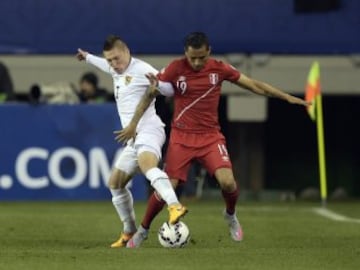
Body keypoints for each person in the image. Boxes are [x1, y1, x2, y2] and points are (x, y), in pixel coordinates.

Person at [118, 32, 310, 248]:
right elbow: (150, 94)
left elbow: (254, 85)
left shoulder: (220, 69)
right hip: (181, 138)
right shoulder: (174, 68)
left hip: (210, 137)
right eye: (193, 58)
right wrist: (133, 124)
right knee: (166, 188)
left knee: (228, 182)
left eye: (201, 57)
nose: (197, 62)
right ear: (186, 54)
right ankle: (143, 231)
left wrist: (286, 97)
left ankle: (230, 215)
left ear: (209, 51)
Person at [76, 35, 187, 248]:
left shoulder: (142, 69)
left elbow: (169, 88)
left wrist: (161, 86)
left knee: (147, 167)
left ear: (127, 51)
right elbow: (103, 65)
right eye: (109, 60)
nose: (113, 64)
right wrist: (88, 57)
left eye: (116, 59)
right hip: (133, 138)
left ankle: (174, 206)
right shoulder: (114, 69)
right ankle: (129, 231)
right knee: (115, 184)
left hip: (150, 131)